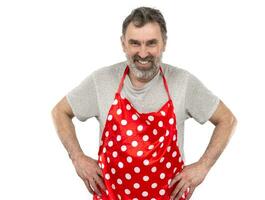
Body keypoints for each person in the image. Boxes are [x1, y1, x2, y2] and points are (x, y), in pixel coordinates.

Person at [51, 6, 237, 200]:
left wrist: (203, 166)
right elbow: (60, 112)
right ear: (123, 44)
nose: (143, 53)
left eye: (151, 43)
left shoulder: (183, 82)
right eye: (135, 43)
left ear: (164, 43)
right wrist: (77, 158)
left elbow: (227, 119)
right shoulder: (102, 80)